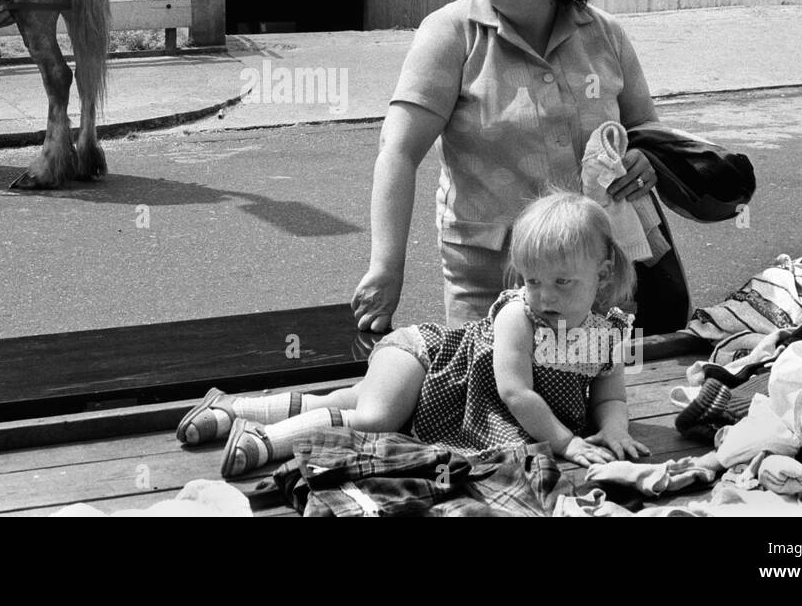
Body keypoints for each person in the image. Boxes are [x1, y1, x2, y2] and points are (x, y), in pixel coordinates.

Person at [350, 0, 689, 334]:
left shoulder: (604, 34)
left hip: (598, 284)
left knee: (602, 399)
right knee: (500, 399)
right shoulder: (451, 34)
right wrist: (387, 265)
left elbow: (647, 130)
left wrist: (643, 159)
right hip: (493, 288)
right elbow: (398, 151)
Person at [178, 191, 651, 477]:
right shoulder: (520, 318)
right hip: (426, 360)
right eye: (531, 279)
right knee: (376, 416)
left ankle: (231, 407)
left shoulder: (605, 333)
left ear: (602, 274)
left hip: (437, 393)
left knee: (347, 401)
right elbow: (515, 391)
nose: (544, 295)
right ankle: (267, 439)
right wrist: (567, 442)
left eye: (562, 282)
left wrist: (613, 429)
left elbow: (610, 395)